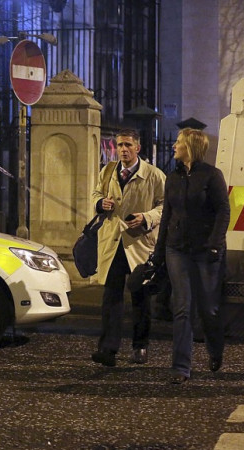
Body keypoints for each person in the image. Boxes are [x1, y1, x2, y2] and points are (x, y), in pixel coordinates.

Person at [152, 128, 230, 384]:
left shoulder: (211, 175)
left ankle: (215, 349)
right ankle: (181, 367)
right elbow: (167, 216)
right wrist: (159, 251)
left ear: (191, 147)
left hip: (207, 250)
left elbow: (222, 211)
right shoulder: (172, 177)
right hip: (177, 249)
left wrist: (215, 244)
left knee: (209, 309)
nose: (174, 145)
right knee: (182, 307)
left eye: (178, 142)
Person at [91, 129, 166, 367]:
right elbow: (95, 194)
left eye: (128, 145)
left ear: (138, 148)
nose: (123, 149)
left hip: (139, 243)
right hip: (113, 242)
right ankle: (108, 348)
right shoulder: (108, 171)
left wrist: (146, 217)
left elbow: (164, 206)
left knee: (140, 297)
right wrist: (100, 203)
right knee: (111, 296)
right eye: (120, 145)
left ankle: (140, 346)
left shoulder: (154, 175)